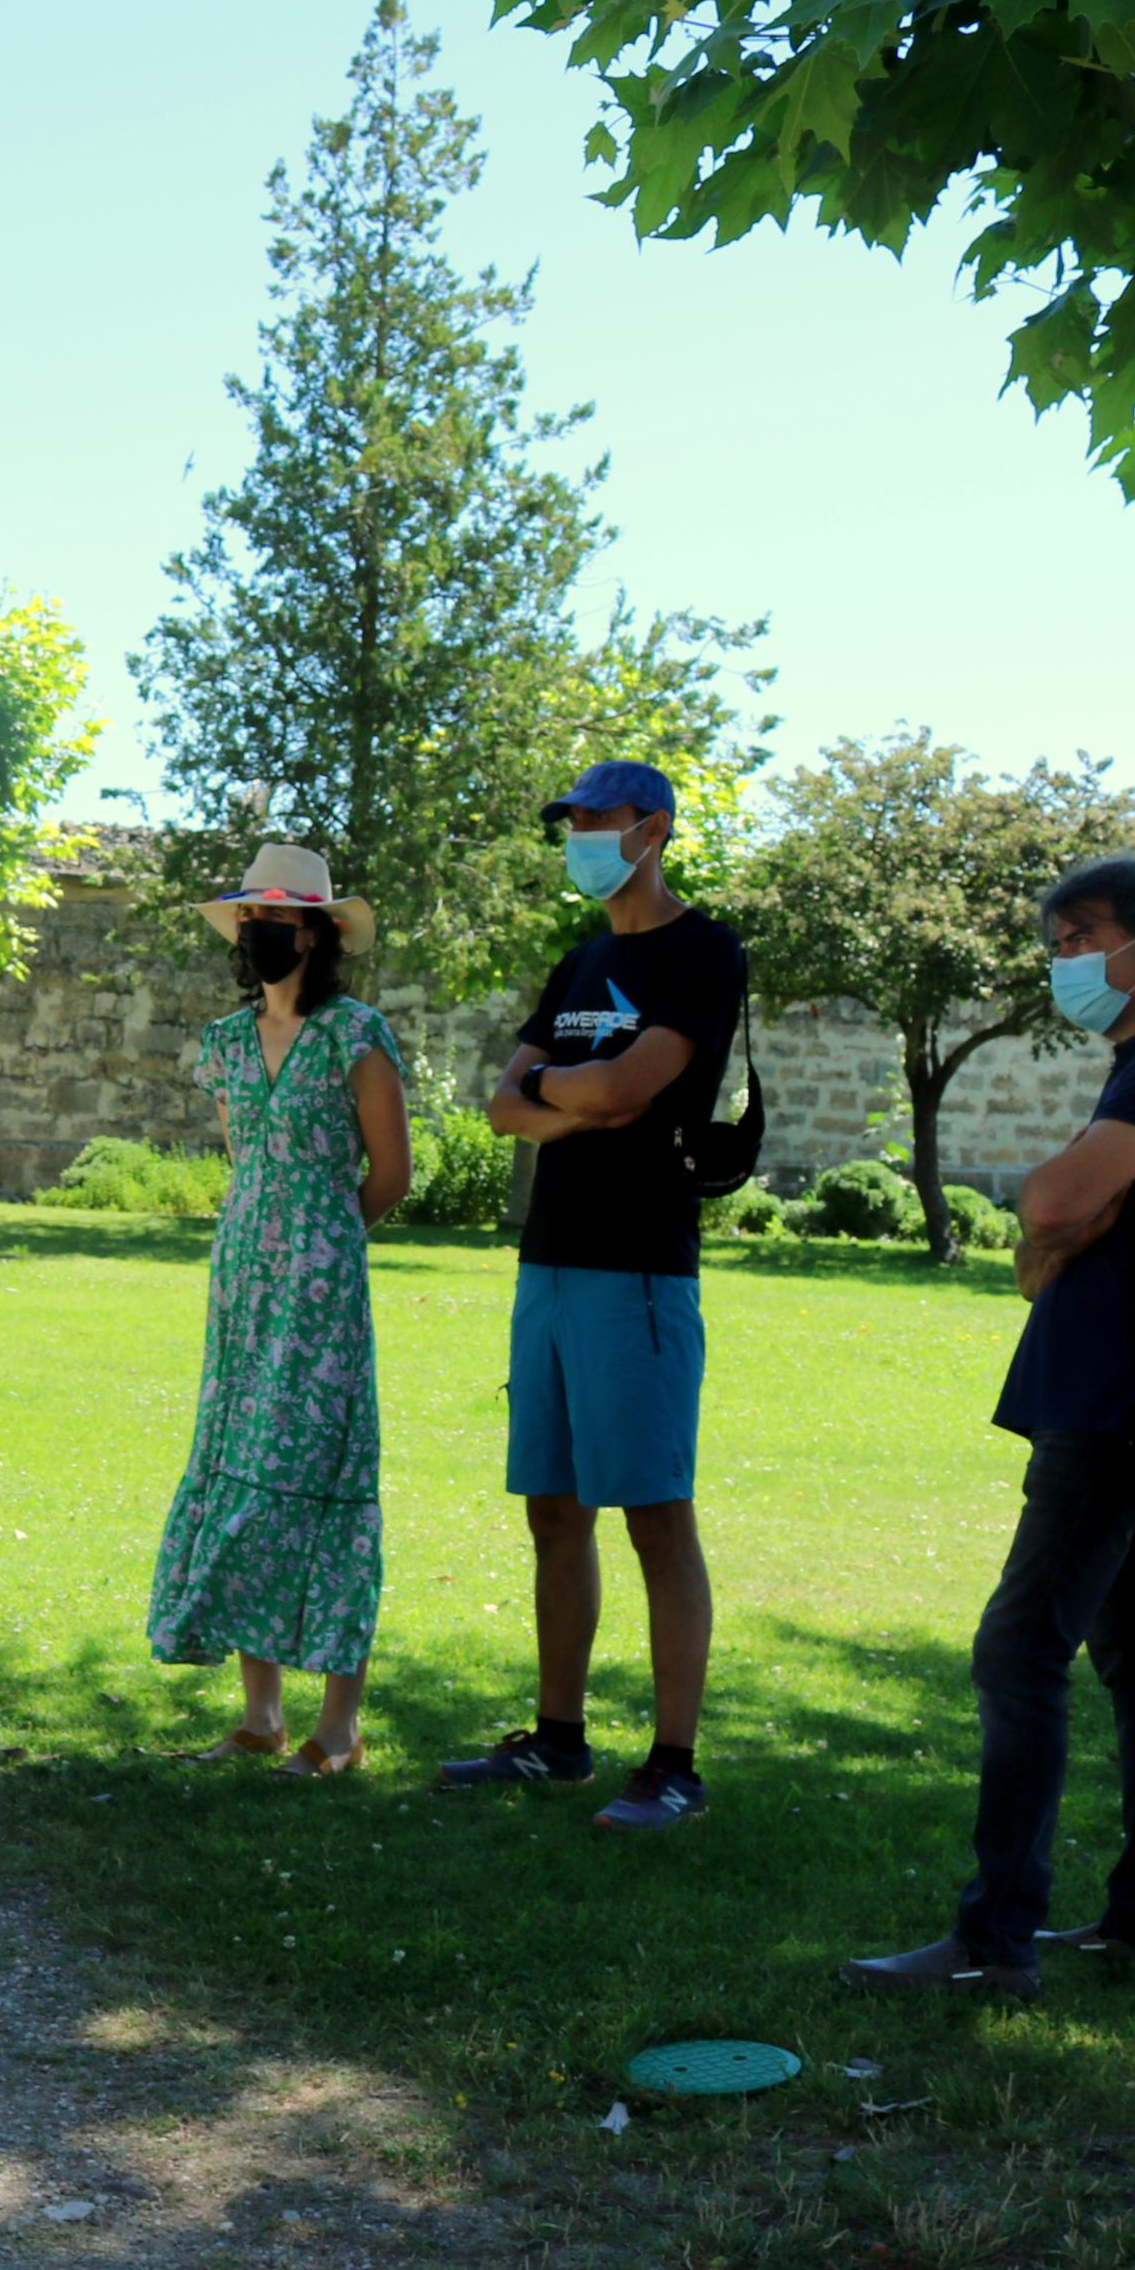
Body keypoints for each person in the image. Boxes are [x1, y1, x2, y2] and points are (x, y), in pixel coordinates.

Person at [845, 855, 1135, 1997]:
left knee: (1019, 1648)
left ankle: (993, 1942)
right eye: (1052, 938)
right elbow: (1045, 1246)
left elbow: (1045, 1208)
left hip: (1119, 1402)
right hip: (1121, 1393)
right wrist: (1066, 1220)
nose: (1062, 960)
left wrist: (1062, 1216)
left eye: (1081, 934)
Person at [439, 760, 748, 1833]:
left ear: (650, 829)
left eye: (592, 819)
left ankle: (672, 1764)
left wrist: (563, 1093)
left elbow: (627, 1087)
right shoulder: (579, 961)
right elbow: (501, 1107)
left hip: (640, 1270)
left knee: (655, 1517)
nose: (574, 834)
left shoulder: (702, 952)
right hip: (551, 1264)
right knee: (552, 1509)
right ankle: (558, 1740)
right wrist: (575, 1100)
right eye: (566, 820)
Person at [148, 845, 418, 1772]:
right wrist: (269, 1245)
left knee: (322, 1479)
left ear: (317, 935)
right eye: (251, 920)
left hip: (320, 1295)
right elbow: (245, 1162)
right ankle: (259, 1714)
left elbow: (391, 1174)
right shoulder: (224, 1045)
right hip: (241, 1287)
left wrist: (323, 1247)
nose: (263, 934)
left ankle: (337, 1725)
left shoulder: (355, 1034)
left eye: (280, 922)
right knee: (243, 1472)